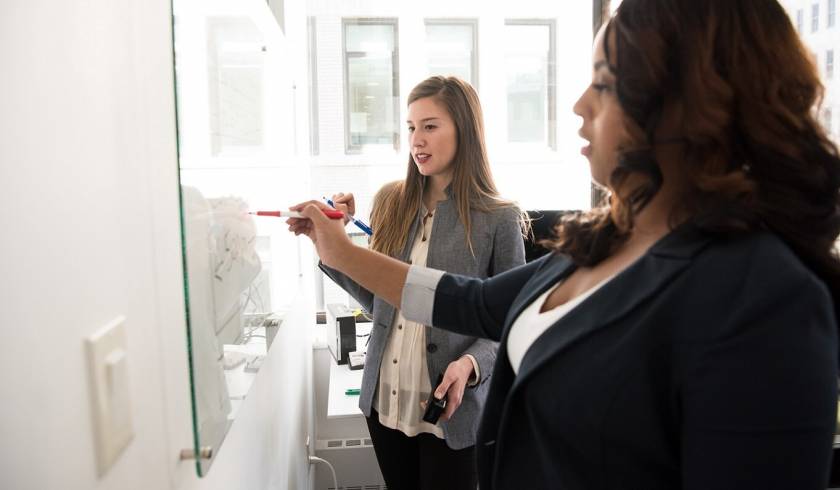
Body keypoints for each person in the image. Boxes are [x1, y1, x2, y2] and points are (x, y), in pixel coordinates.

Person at [290, 1, 840, 488]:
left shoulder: (764, 299)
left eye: (603, 82)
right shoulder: (601, 245)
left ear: (688, 102)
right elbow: (471, 302)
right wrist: (337, 251)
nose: (579, 105)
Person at [318, 76, 527, 490]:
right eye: (411, 127)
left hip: (451, 412)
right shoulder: (391, 201)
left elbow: (510, 323)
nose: (416, 139)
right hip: (385, 401)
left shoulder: (499, 218)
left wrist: (470, 365)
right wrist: (332, 243)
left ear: (464, 130)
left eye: (430, 126)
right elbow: (382, 300)